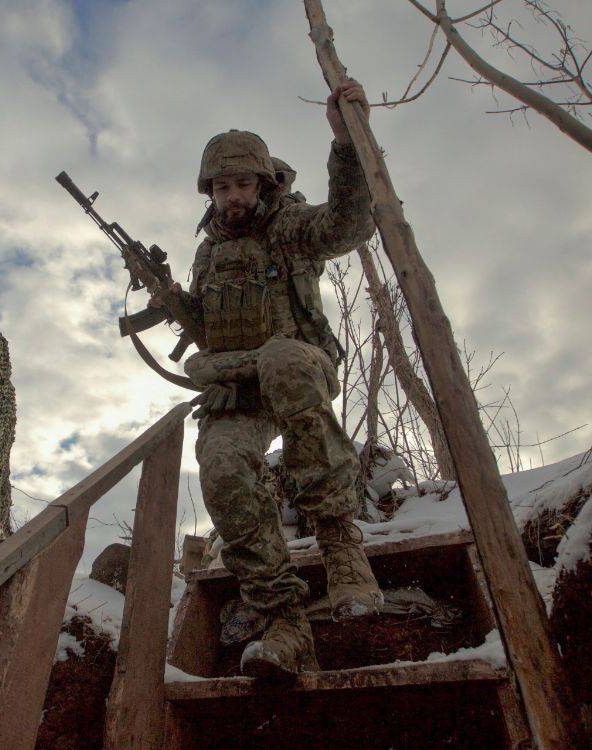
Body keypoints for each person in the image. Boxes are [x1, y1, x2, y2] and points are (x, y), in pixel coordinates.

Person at [182, 79, 383, 679]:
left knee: (282, 358)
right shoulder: (207, 256)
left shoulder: (289, 229)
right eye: (221, 186)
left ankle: (341, 544)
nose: (232, 195)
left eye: (243, 183)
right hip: (239, 393)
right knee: (218, 462)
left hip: (300, 371)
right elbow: (203, 351)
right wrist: (211, 370)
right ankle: (283, 621)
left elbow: (349, 224)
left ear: (265, 183)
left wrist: (348, 143)